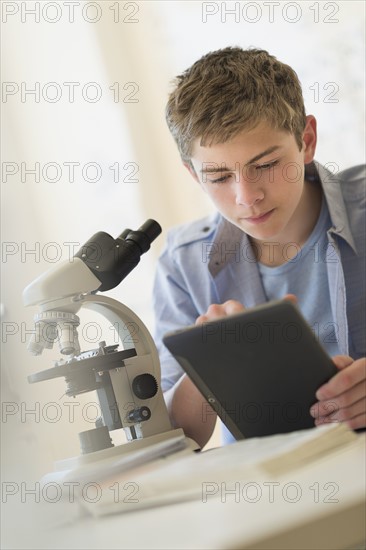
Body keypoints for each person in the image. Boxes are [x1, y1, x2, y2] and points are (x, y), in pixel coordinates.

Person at [152, 47, 366, 449]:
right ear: (193, 175)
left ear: (306, 141)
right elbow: (175, 441)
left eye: (266, 165)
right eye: (218, 176)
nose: (247, 197)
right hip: (268, 494)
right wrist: (206, 368)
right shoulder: (182, 263)